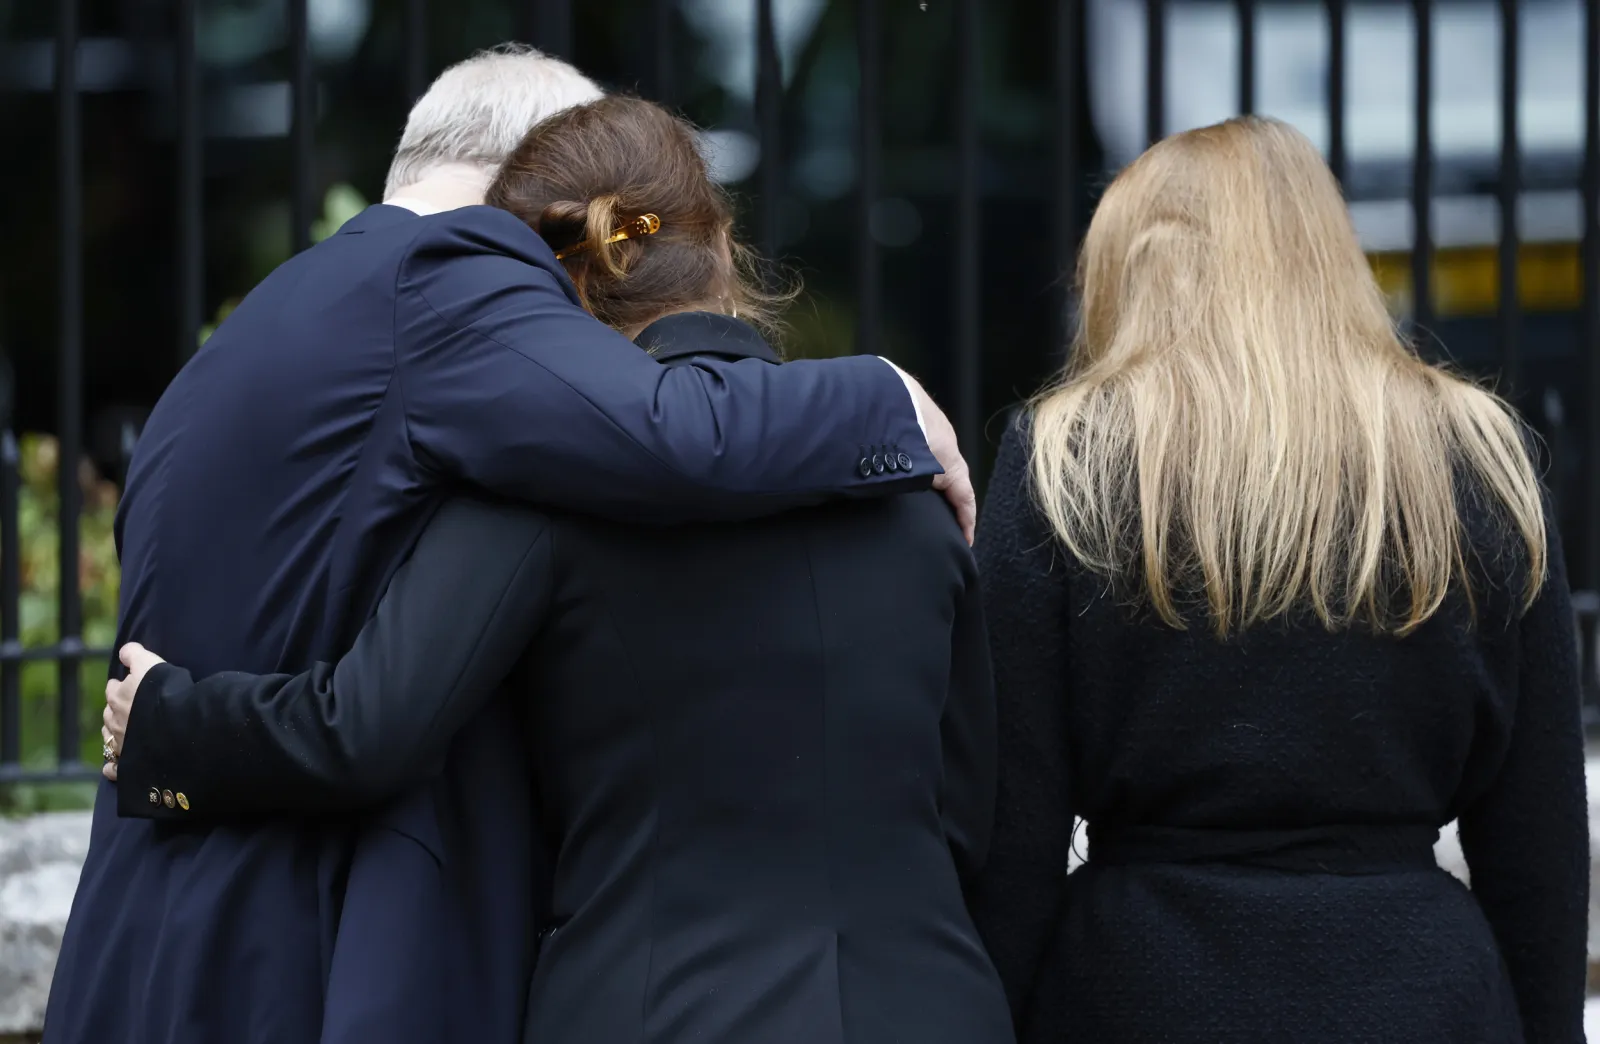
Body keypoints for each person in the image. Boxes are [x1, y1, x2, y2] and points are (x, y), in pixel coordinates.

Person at [47, 47, 975, 1044]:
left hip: (154, 940)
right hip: (292, 959)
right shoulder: (453, 280)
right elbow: (668, 429)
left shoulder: (258, 332)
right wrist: (882, 395)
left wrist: (169, 738)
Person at [969, 115, 1588, 1044]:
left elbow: (1010, 832)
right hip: (1420, 996)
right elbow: (1537, 847)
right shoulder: (1478, 458)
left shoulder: (1071, 461)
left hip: (1137, 991)